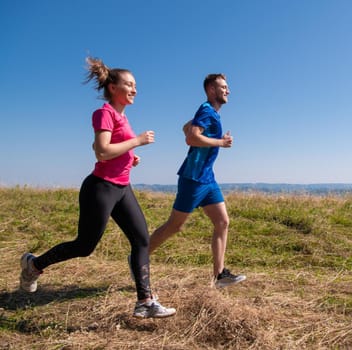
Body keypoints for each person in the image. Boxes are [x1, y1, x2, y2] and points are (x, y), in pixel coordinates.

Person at [19, 57, 176, 319]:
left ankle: (145, 301)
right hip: (100, 188)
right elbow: (102, 151)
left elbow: (105, 148)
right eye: (129, 84)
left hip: (122, 188)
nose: (135, 89)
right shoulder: (105, 112)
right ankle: (34, 264)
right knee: (84, 246)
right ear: (113, 87)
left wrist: (129, 156)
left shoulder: (123, 118)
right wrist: (136, 142)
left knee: (141, 240)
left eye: (136, 85)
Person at [148, 73, 246, 288]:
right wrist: (220, 142)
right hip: (193, 179)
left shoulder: (210, 113)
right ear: (212, 90)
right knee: (175, 226)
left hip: (207, 179)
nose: (228, 91)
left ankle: (219, 276)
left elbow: (187, 128)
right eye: (223, 87)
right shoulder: (206, 110)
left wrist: (197, 130)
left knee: (222, 222)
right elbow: (191, 137)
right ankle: (139, 257)